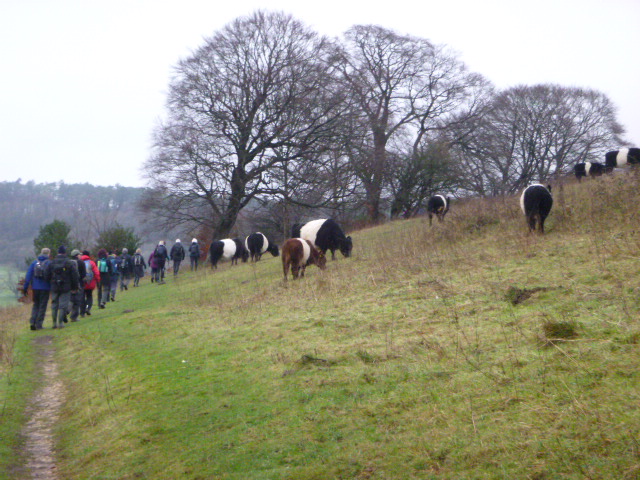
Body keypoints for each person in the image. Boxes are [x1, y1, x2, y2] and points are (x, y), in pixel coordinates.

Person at [47, 245, 79, 329]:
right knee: (63, 305)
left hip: (54, 286)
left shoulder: (52, 262)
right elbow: (74, 275)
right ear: (65, 252)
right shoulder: (68, 262)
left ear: (58, 252)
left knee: (54, 304)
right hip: (66, 286)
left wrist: (50, 283)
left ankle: (54, 323)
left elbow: (47, 274)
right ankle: (60, 323)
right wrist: (75, 287)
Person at [23, 248, 52, 330]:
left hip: (35, 288)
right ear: (48, 254)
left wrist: (25, 287)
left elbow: (28, 275)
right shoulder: (49, 263)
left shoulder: (34, 263)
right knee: (43, 306)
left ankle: (32, 322)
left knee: (36, 305)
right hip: (45, 287)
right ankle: (39, 324)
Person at [80, 250, 100, 316]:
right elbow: (96, 272)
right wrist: (98, 280)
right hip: (90, 282)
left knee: (82, 297)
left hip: (82, 282)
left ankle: (82, 312)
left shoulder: (80, 262)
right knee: (89, 296)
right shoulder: (92, 263)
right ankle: (88, 308)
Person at [68, 249, 86, 322]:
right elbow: (83, 274)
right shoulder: (81, 262)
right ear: (76, 255)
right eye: (79, 254)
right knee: (77, 300)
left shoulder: (68, 262)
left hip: (69, 284)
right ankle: (74, 317)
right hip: (79, 284)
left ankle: (66, 310)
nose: (81, 256)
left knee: (71, 298)